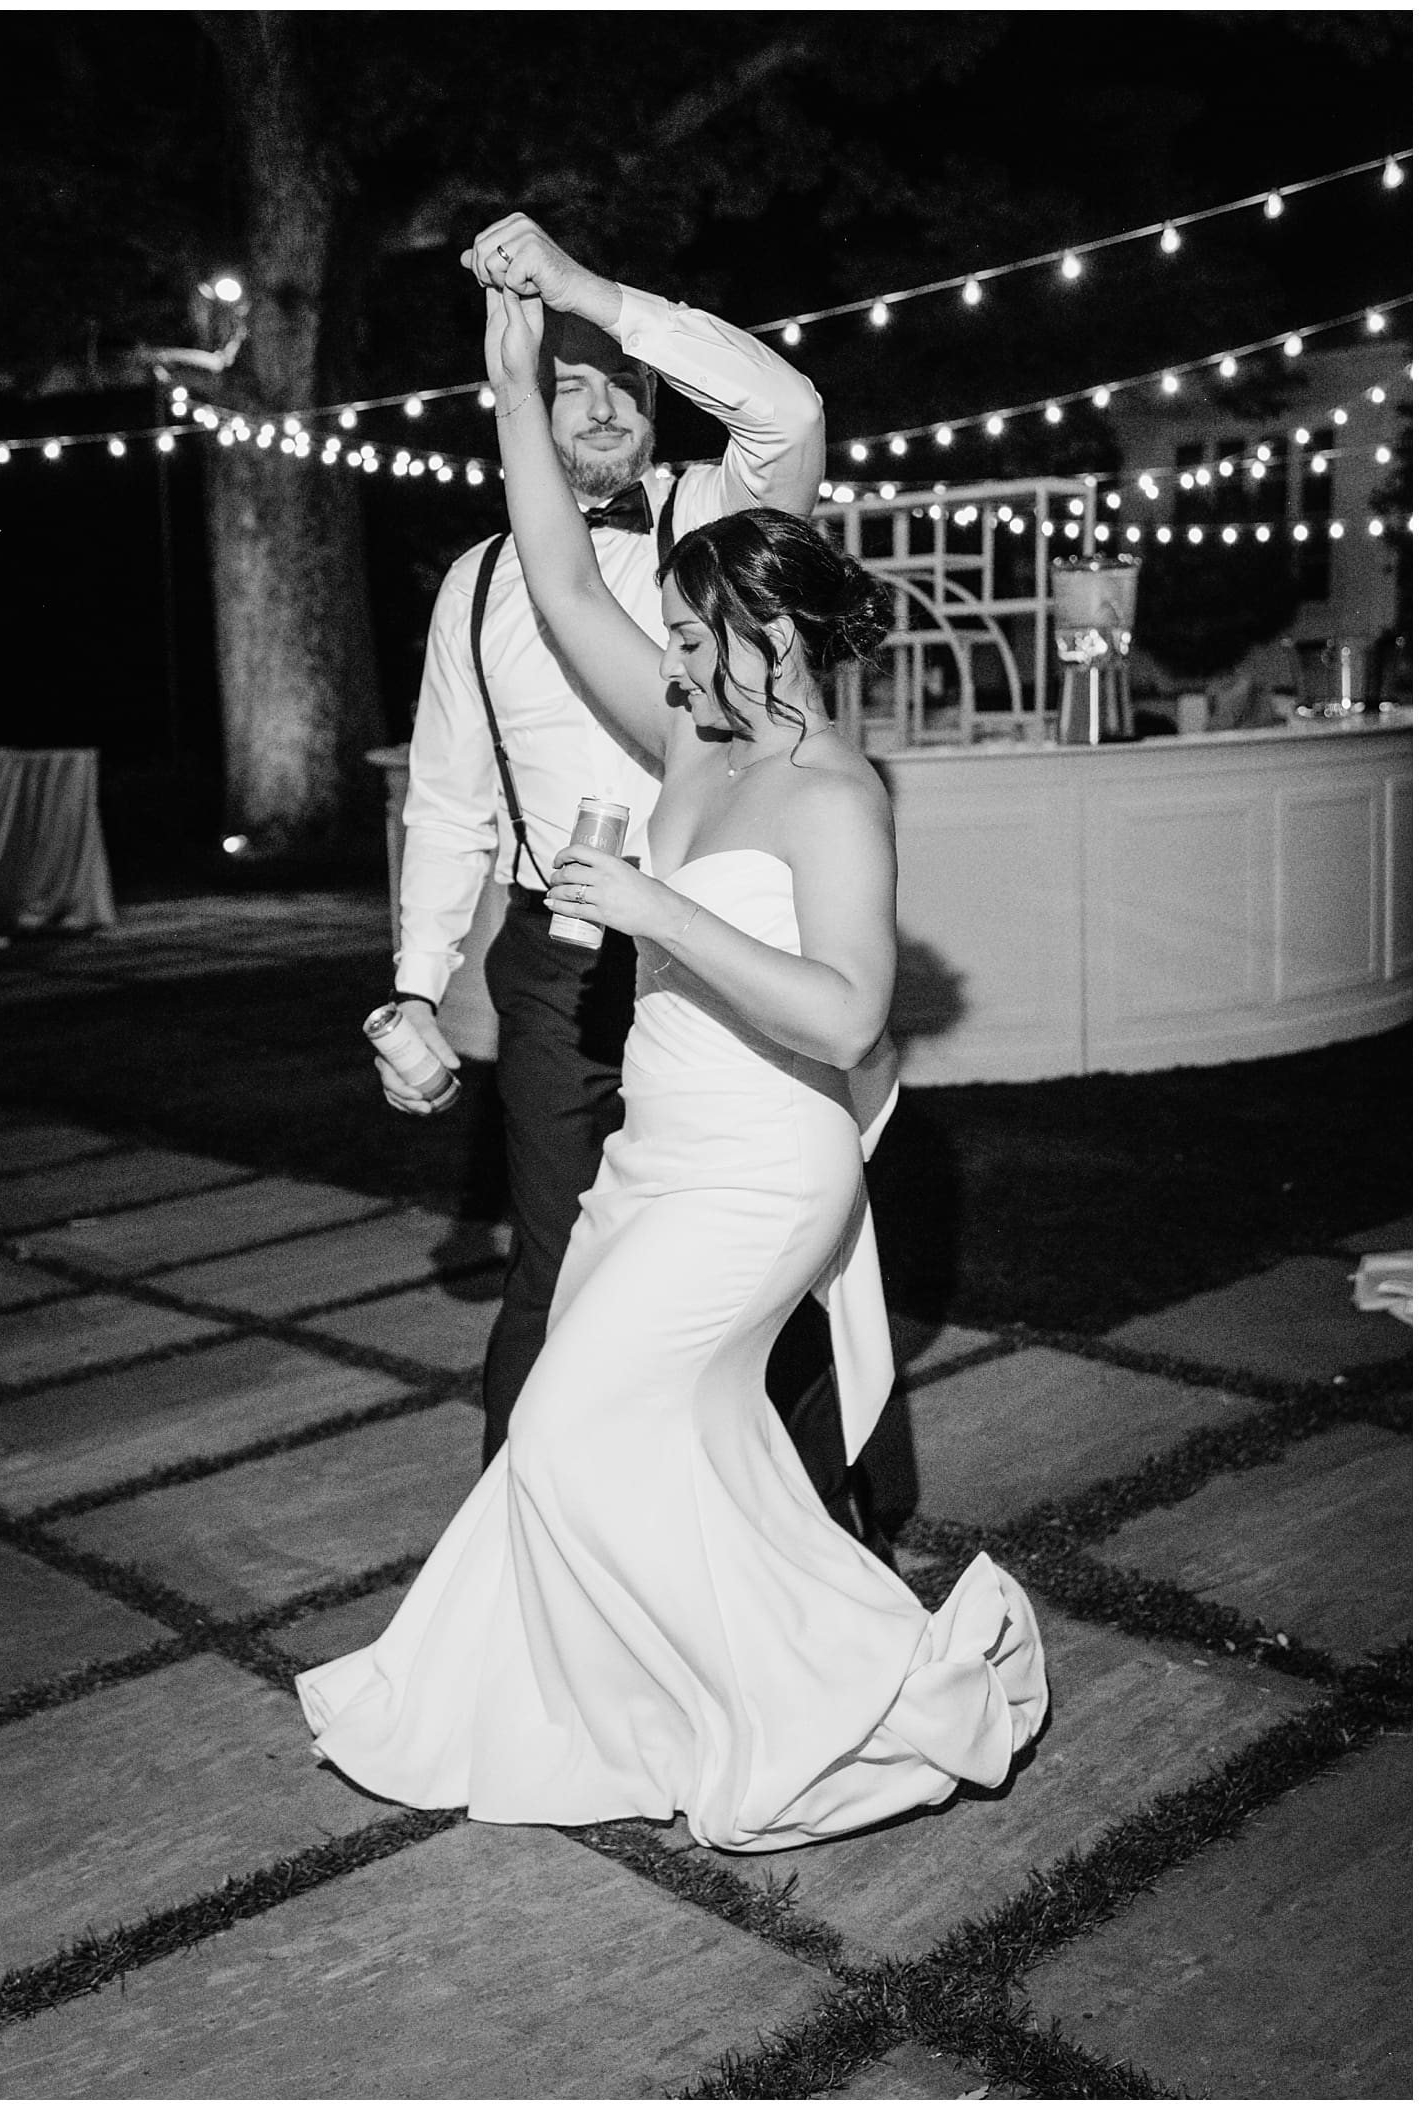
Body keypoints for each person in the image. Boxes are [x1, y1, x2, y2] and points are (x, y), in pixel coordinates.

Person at [295, 256, 1047, 1854]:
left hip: (761, 1170)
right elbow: (567, 588)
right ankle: (663, 1689)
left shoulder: (833, 797)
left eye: (705, 642)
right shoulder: (699, 742)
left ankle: (831, 1698)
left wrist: (652, 906)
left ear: (774, 627)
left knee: (574, 1427)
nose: (680, 667)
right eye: (682, 647)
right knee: (660, 1438)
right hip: (655, 1146)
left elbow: (846, 1014)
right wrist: (510, 381)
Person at [379, 214, 878, 1548]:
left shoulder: (718, 528)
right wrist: (416, 985)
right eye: (570, 385)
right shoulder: (499, 594)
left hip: (734, 996)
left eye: (621, 384)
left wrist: (591, 293)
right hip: (566, 965)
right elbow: (456, 778)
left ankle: (809, 1528)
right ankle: (525, 1546)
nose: (599, 406)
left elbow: (783, 405)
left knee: (752, 1301)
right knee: (562, 1268)